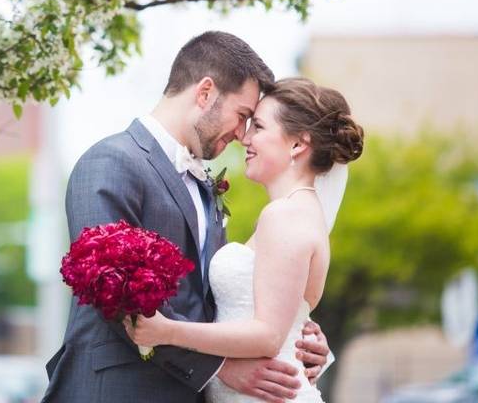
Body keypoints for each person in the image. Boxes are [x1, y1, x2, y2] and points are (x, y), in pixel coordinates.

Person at [41, 32, 333, 403]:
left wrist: (296, 335)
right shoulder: (111, 162)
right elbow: (112, 297)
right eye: (243, 116)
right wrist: (218, 367)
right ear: (205, 92)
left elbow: (219, 300)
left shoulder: (205, 183)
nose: (243, 135)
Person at [124, 77, 364, 402]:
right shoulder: (298, 213)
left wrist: (167, 331)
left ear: (297, 145)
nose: (245, 138)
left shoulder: (285, 216)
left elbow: (267, 336)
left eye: (259, 127)